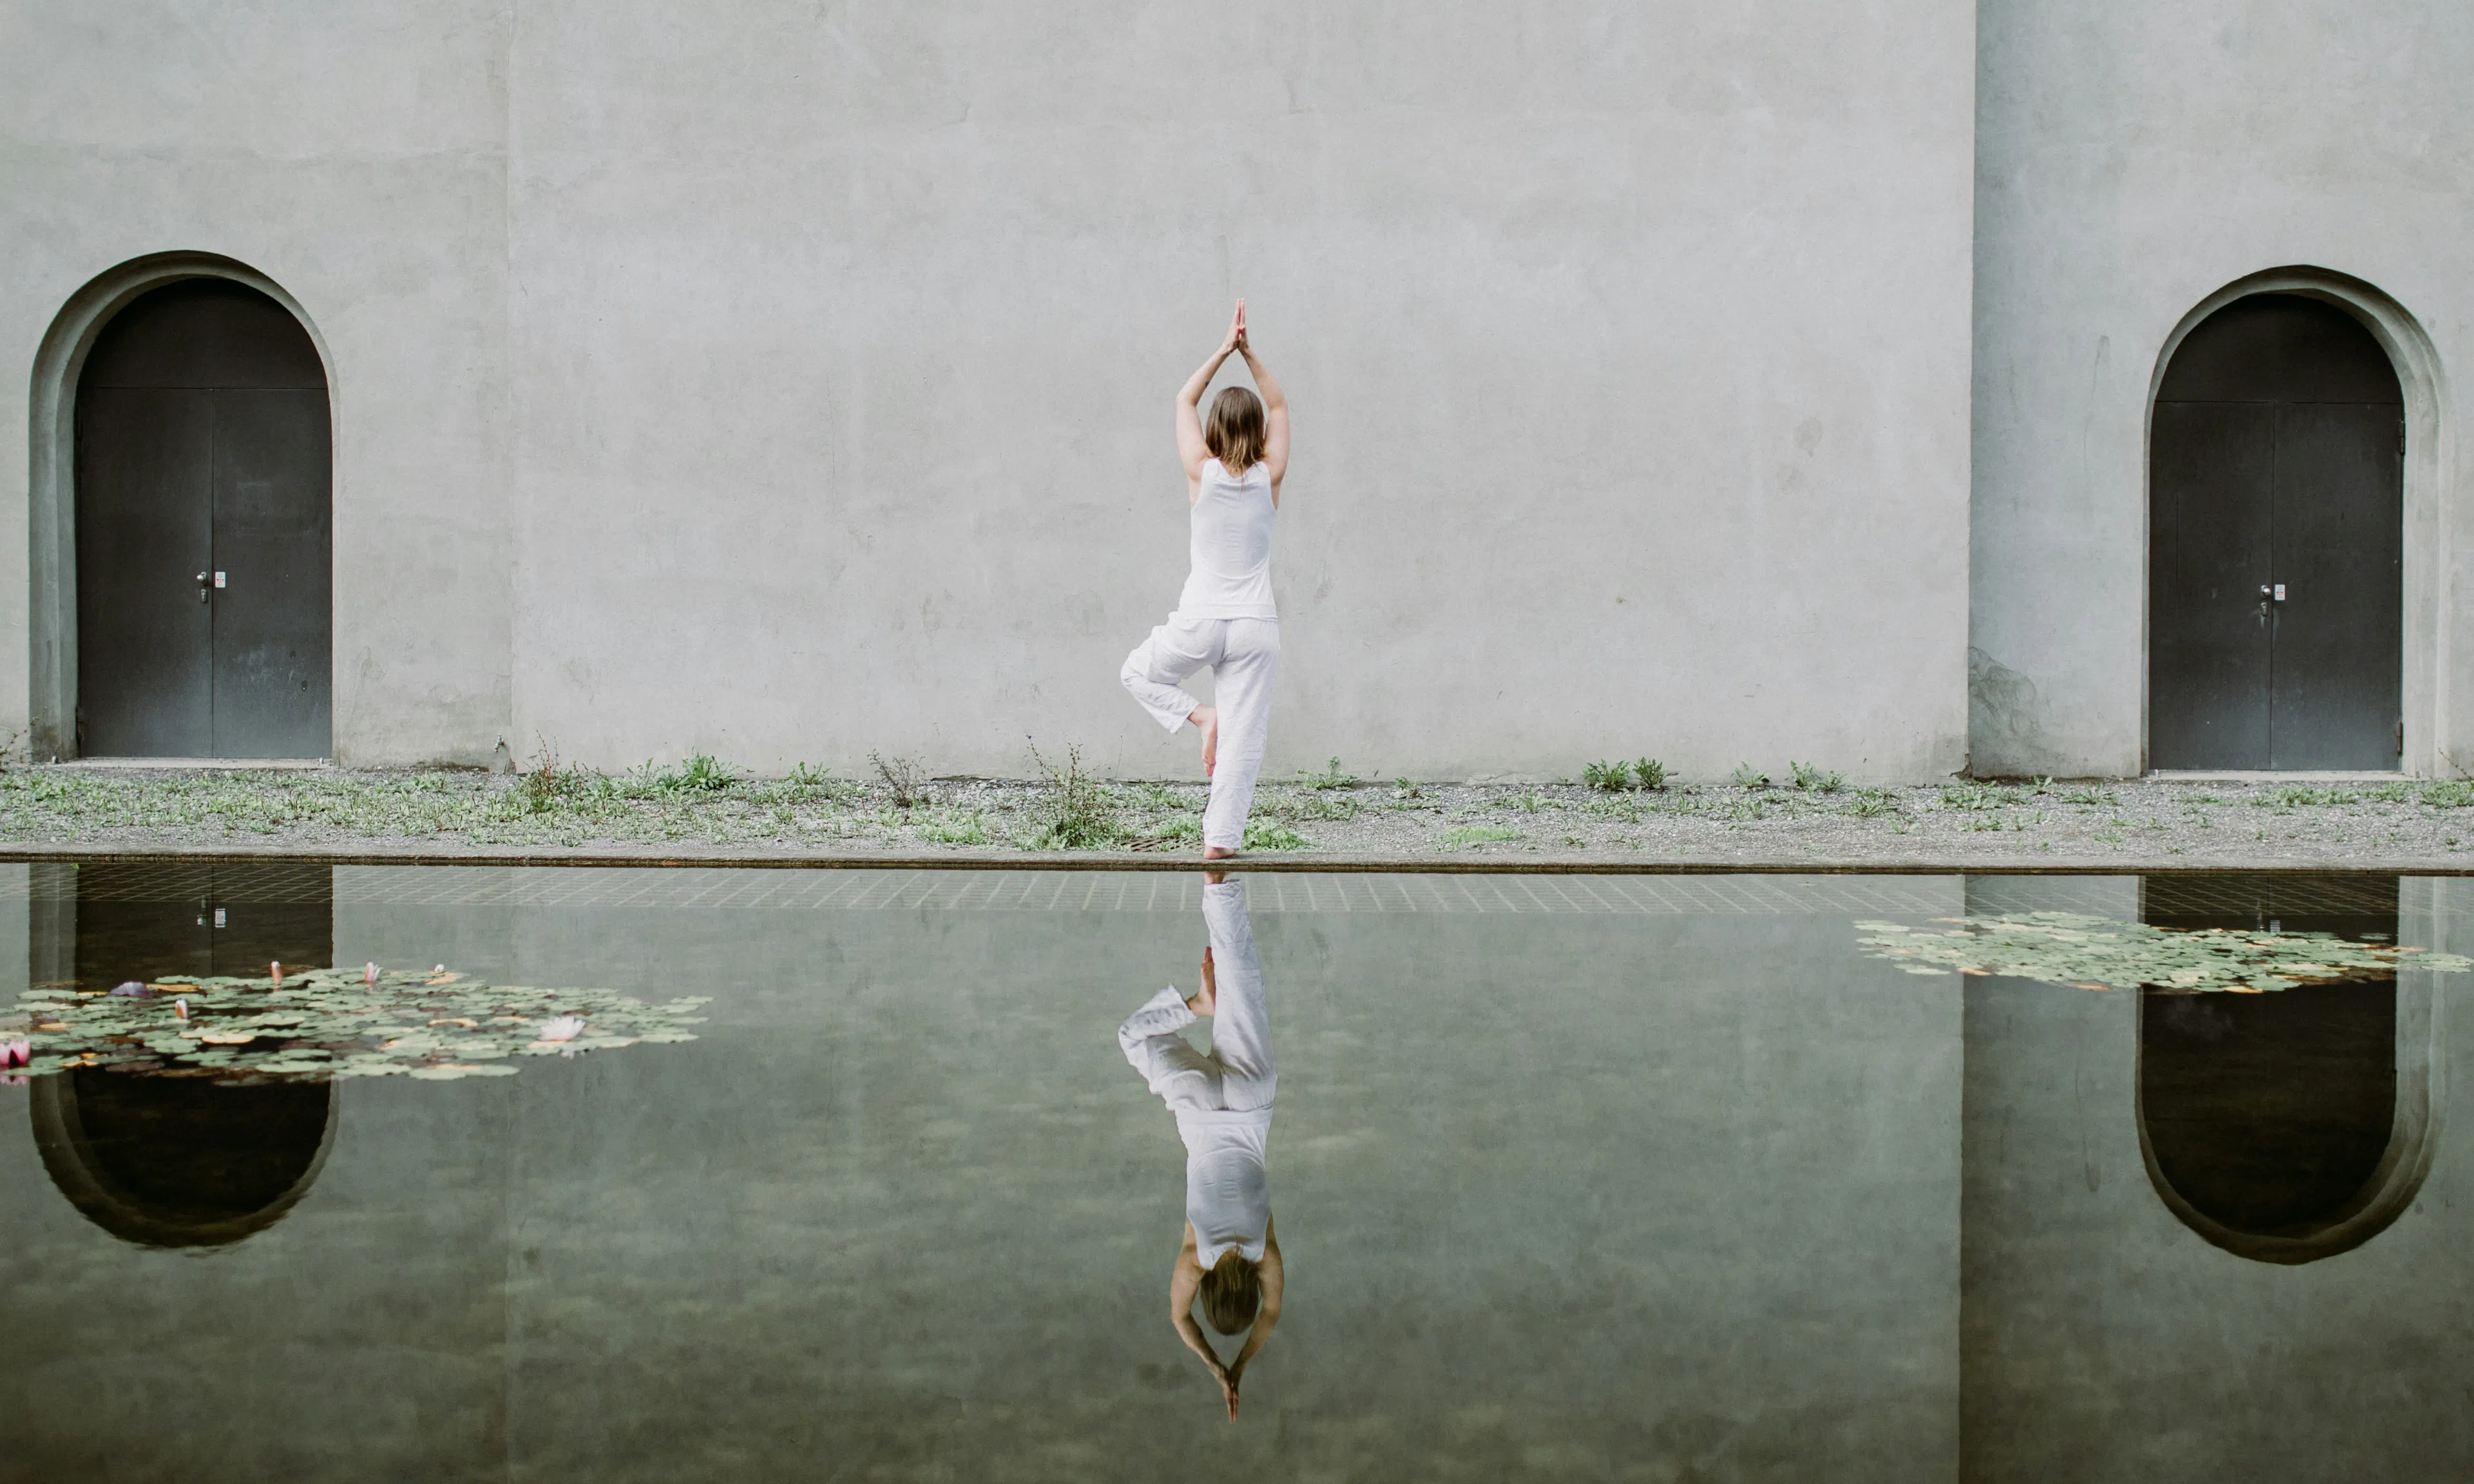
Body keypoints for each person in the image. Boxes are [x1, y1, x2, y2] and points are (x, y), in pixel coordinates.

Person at [1120, 301, 1292, 860]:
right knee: (1243, 743)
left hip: (1201, 619)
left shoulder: (1202, 471)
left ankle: (1199, 717)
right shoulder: (1270, 477)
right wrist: (1252, 353)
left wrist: (1224, 350)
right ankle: (1219, 845)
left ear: (1215, 430)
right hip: (1253, 627)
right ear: (1259, 431)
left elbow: (1183, 399)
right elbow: (1280, 402)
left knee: (1136, 673)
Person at [1116, 871, 1284, 1419]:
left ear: (1252, 1291)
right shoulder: (1198, 1256)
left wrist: (1242, 1363)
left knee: (1245, 983)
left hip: (1252, 1104)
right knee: (1134, 1036)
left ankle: (1221, 883)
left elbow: (1272, 1318)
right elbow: (1178, 1320)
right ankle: (1196, 1003)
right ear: (1211, 1290)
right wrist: (1217, 1366)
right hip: (1199, 1112)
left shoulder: (1264, 1253)